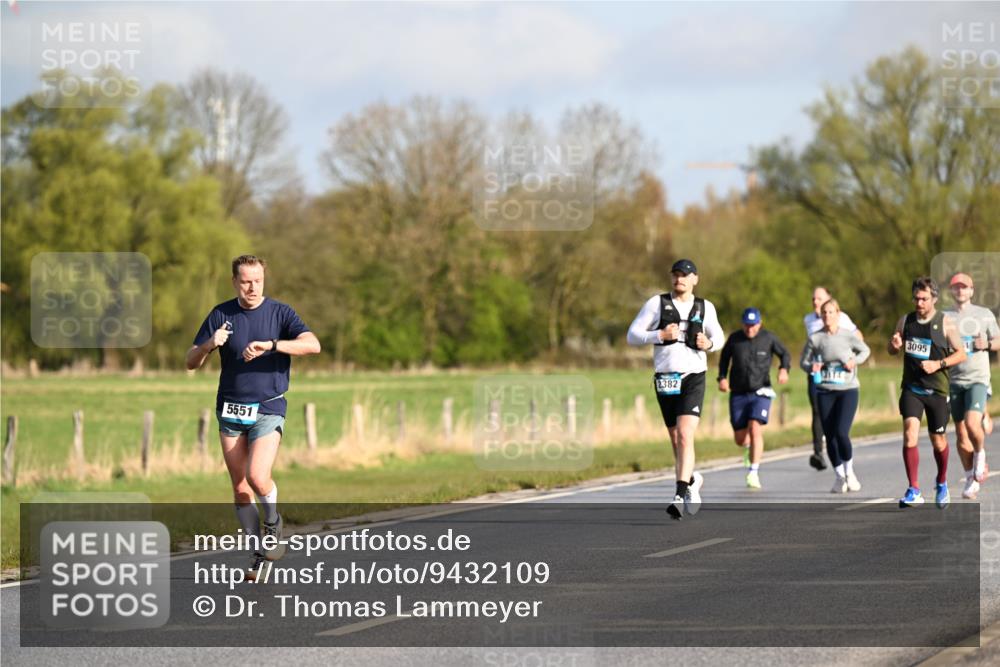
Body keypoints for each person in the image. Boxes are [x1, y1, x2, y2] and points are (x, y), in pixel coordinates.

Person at [186, 255, 321, 578]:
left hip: (268, 406)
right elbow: (191, 361)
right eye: (246, 281)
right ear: (234, 281)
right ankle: (257, 553)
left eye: (258, 280)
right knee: (240, 487)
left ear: (264, 279)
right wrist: (209, 344)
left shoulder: (280, 312)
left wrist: (272, 345)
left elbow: (312, 345)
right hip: (230, 408)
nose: (252, 287)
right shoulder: (221, 314)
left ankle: (273, 523)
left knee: (258, 476)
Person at [628, 259, 725, 519]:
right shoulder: (657, 304)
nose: (679, 279)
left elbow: (720, 337)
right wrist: (658, 336)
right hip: (665, 378)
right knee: (675, 439)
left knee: (684, 435)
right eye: (676, 275)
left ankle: (679, 494)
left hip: (694, 376)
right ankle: (692, 480)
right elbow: (632, 335)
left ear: (695, 279)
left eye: (685, 275)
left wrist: (709, 343)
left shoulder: (705, 307)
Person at [888, 277, 966, 509]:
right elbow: (892, 349)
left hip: (937, 391)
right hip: (912, 389)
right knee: (910, 433)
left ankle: (941, 483)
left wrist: (938, 364)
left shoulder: (945, 323)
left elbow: (961, 353)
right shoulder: (906, 321)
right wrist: (893, 346)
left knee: (938, 440)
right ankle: (914, 489)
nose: (919, 302)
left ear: (934, 299)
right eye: (916, 298)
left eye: (924, 298)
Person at [800, 299, 871, 493]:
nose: (827, 316)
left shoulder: (848, 336)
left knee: (841, 433)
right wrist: (811, 366)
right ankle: (839, 476)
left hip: (848, 389)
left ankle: (850, 472)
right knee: (830, 436)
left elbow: (865, 350)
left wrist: (853, 361)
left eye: (831, 312)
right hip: (824, 390)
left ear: (838, 314)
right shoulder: (816, 338)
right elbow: (803, 362)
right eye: (824, 313)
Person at [717, 307, 790, 489]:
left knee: (755, 428)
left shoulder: (769, 338)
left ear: (759, 323)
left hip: (761, 391)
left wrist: (783, 369)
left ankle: (754, 472)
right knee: (741, 439)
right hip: (738, 393)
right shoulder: (735, 339)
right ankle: (748, 448)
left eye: (753, 325)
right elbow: (724, 359)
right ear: (743, 324)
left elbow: (785, 354)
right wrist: (722, 378)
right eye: (747, 325)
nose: (750, 329)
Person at [944, 272, 999, 499]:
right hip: (954, 380)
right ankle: (970, 477)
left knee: (971, 422)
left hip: (978, 378)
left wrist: (986, 343)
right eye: (956, 287)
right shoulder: (944, 317)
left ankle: (980, 454)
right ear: (952, 291)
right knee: (960, 433)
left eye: (964, 287)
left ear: (972, 291)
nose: (960, 291)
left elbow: (998, 340)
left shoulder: (983, 314)